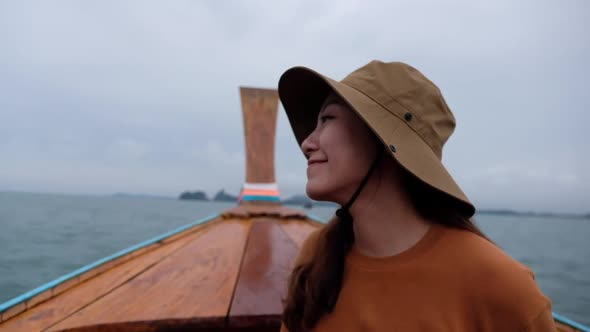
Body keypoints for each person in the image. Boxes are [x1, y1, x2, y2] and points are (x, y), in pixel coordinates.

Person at [277, 61, 556, 332]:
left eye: (327, 119)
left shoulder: (499, 285)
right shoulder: (317, 254)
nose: (307, 143)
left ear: (384, 141)